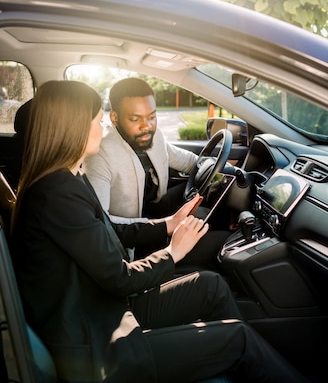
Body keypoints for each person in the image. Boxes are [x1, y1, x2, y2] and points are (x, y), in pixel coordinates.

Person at [10, 80, 309, 383]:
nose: (101, 127)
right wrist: (173, 251)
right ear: (73, 129)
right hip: (96, 344)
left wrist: (168, 225)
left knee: (210, 285)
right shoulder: (57, 192)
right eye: (97, 120)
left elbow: (112, 231)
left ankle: (233, 369)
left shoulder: (69, 179)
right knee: (239, 339)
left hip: (104, 309)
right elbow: (119, 278)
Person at [83, 77, 228, 268]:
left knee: (213, 194)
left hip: (155, 208)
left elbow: (183, 159)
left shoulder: (153, 135)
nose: (147, 126)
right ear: (115, 118)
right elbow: (104, 223)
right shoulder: (100, 154)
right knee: (224, 243)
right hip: (133, 237)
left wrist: (216, 168)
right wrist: (164, 226)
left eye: (151, 117)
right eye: (135, 119)